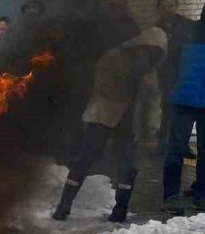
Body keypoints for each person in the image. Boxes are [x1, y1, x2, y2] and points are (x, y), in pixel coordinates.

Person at [51, 27, 167, 222]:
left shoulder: (150, 73)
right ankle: (64, 205)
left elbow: (153, 104)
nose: (149, 55)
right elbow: (104, 88)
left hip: (130, 124)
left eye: (155, 52)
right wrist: (132, 77)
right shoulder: (113, 58)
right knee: (84, 160)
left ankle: (120, 209)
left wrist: (150, 132)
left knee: (128, 167)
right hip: (101, 117)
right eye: (148, 49)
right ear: (139, 46)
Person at [161, 0, 205, 213]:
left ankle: (202, 195)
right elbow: (169, 64)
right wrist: (170, 90)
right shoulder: (189, 31)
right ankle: (170, 196)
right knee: (176, 148)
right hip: (183, 100)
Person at [154, 0, 200, 157]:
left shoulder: (189, 25)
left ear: (176, 6)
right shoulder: (156, 29)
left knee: (185, 113)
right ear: (159, 9)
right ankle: (162, 145)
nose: (168, 9)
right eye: (164, 7)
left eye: (171, 6)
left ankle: (183, 146)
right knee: (166, 111)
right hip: (166, 75)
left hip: (186, 75)